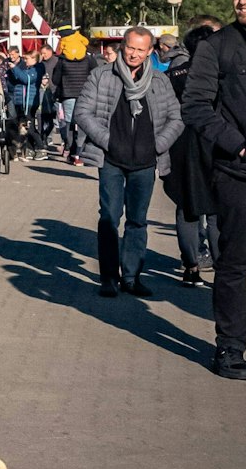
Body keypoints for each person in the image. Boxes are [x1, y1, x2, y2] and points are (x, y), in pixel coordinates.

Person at [181, 0, 246, 379]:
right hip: (238, 174)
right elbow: (196, 106)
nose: (243, 1)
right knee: (235, 265)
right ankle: (229, 348)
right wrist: (237, 143)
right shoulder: (218, 47)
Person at [75, 24, 183, 299]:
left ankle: (132, 277)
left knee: (137, 221)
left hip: (145, 162)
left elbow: (176, 118)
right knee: (110, 218)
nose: (134, 54)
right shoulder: (101, 75)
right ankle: (109, 278)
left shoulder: (160, 81)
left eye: (140, 49)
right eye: (130, 47)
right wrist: (107, 140)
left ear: (150, 52)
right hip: (111, 158)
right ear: (123, 46)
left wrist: (157, 145)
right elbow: (82, 112)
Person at [165, 20, 221, 287]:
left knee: (186, 208)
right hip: (215, 145)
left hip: (180, 146)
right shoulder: (221, 75)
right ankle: (223, 267)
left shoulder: (172, 77)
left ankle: (191, 265)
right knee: (217, 210)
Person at [51, 31, 97, 164]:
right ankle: (83, 151)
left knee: (70, 122)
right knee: (85, 121)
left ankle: (71, 150)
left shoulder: (62, 60)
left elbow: (55, 79)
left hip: (68, 94)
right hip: (86, 94)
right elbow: (95, 74)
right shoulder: (89, 58)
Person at [6, 47, 45, 157]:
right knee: (23, 127)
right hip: (21, 101)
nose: (25, 61)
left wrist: (15, 68)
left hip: (29, 102)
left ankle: (41, 147)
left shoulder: (37, 69)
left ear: (34, 59)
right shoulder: (28, 69)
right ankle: (30, 148)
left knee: (29, 126)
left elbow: (26, 79)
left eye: (27, 59)